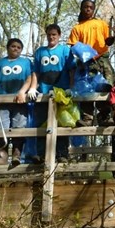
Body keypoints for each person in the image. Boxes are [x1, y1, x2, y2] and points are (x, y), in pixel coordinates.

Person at [30, 23, 75, 163]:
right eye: (49, 34)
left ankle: (62, 154)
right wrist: (32, 87)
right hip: (43, 92)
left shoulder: (65, 50)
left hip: (61, 92)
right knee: (42, 123)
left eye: (54, 34)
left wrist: (71, 87)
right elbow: (36, 72)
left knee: (62, 123)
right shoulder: (40, 52)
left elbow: (71, 69)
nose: (51, 37)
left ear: (59, 36)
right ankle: (42, 155)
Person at [67, 0, 115, 126]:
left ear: (93, 9)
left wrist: (113, 36)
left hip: (102, 59)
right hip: (86, 62)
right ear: (81, 9)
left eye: (90, 7)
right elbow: (73, 46)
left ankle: (104, 116)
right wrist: (85, 55)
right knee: (86, 88)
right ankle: (87, 118)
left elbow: (108, 42)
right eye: (85, 7)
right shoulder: (77, 28)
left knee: (105, 86)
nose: (88, 9)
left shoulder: (101, 24)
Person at [0, 38, 34, 167]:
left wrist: (22, 92)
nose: (16, 49)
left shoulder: (26, 62)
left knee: (19, 128)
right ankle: (2, 156)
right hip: (2, 102)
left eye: (19, 47)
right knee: (1, 128)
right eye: (13, 46)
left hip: (20, 102)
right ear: (8, 48)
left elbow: (30, 78)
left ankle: (17, 155)